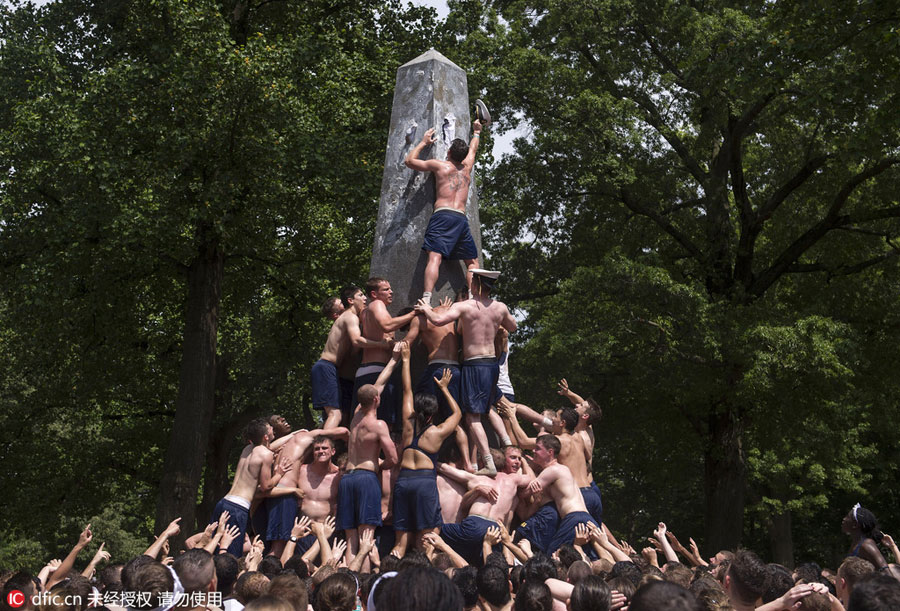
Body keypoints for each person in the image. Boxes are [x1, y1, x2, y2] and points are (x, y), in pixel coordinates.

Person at [416, 269, 517, 475]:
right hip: (492, 365)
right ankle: (507, 443)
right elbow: (513, 327)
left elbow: (438, 321)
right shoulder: (500, 307)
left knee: (472, 417)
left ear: (476, 284)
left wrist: (426, 308)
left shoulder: (465, 306)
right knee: (489, 408)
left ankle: (488, 462)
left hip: (475, 365)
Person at [391, 342, 463, 557]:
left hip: (403, 482)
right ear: (433, 413)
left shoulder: (408, 423)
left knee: (400, 543)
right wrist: (444, 389)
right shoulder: (437, 432)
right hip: (424, 483)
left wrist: (406, 360)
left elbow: (407, 389)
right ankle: (428, 572)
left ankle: (390, 572)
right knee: (428, 538)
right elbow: (457, 414)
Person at [404, 118, 484, 305]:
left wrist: (423, 143)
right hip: (460, 218)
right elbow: (473, 149)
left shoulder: (440, 165)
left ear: (448, 152)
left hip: (443, 214)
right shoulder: (467, 167)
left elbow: (409, 161)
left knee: (435, 257)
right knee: (473, 262)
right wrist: (477, 131)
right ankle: (474, 299)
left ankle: (426, 298)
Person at [338, 345, 401, 571]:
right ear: (376, 400)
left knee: (351, 539)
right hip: (366, 478)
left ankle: (349, 580)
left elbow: (378, 385)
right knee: (367, 537)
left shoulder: (355, 417)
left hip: (347, 478)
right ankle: (363, 582)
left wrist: (392, 361)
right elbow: (393, 459)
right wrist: (379, 465)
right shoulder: (378, 425)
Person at [405, 294, 474, 471]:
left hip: (435, 369)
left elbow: (406, 344)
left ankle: (421, 456)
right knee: (456, 421)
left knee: (422, 412)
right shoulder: (452, 315)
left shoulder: (421, 320)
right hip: (456, 370)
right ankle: (467, 463)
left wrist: (390, 344)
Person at [436, 448, 532, 565]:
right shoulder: (513, 480)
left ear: (482, 463)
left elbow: (443, 468)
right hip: (496, 530)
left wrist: (425, 458)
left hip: (474, 526)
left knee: (436, 531)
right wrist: (524, 462)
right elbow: (531, 478)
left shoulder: (476, 479)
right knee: (488, 565)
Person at [212, 419, 291, 557]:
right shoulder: (266, 454)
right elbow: (266, 486)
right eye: (270, 428)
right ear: (266, 437)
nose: (272, 428)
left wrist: (294, 434)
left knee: (214, 548)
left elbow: (266, 449)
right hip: (238, 508)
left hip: (224, 503)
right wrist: (279, 474)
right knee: (229, 556)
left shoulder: (247, 449)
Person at [312, 285, 387, 428]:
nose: (365, 298)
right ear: (351, 301)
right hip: (326, 367)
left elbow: (353, 350)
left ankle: (329, 439)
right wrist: (381, 344)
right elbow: (357, 340)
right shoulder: (350, 317)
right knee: (335, 414)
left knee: (342, 415)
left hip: (332, 370)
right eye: (361, 295)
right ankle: (324, 440)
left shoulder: (349, 319)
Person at [355, 278, 416, 425]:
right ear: (374, 294)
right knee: (383, 424)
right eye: (386, 289)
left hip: (366, 371)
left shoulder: (366, 312)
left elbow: (383, 336)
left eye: (390, 288)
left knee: (363, 422)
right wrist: (414, 314)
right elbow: (387, 325)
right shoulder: (377, 304)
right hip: (377, 372)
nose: (391, 292)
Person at [524, 435, 597, 555]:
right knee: (586, 559)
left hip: (574, 519)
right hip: (586, 518)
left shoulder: (552, 470)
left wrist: (525, 466)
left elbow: (526, 493)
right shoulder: (563, 469)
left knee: (553, 556)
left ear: (550, 452)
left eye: (538, 448)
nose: (533, 451)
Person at [843, 504, 888, 568]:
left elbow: (886, 572)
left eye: (847, 517)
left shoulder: (866, 545)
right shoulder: (855, 544)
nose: (844, 519)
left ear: (855, 525)